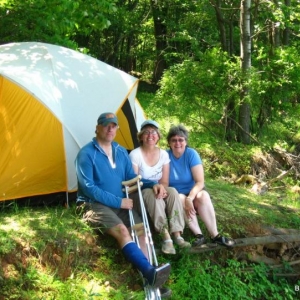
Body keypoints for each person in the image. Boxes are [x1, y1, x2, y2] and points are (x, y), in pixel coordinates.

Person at [75, 112, 171, 292]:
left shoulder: (120, 151)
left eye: (114, 125)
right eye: (106, 124)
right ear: (97, 128)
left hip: (118, 204)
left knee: (141, 229)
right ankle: (150, 272)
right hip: (91, 204)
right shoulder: (86, 154)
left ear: (117, 128)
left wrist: (153, 185)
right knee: (122, 231)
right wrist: (119, 202)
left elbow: (131, 177)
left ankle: (151, 275)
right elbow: (89, 188)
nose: (110, 128)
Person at [166, 124, 235, 247]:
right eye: (174, 140)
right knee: (180, 198)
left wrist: (190, 198)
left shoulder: (191, 154)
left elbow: (200, 182)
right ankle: (199, 235)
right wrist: (185, 199)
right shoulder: (165, 156)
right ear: (169, 143)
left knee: (203, 195)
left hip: (193, 192)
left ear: (186, 142)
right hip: (176, 195)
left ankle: (215, 235)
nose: (177, 143)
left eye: (181, 140)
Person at [129, 120, 191, 255]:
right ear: (141, 136)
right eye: (146, 132)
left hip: (158, 188)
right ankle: (166, 237)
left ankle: (177, 234)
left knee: (173, 191)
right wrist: (153, 185)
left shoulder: (163, 154)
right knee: (154, 196)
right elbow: (134, 181)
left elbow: (164, 181)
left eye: (154, 132)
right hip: (140, 192)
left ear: (158, 136)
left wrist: (161, 188)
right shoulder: (135, 154)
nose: (150, 135)